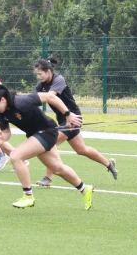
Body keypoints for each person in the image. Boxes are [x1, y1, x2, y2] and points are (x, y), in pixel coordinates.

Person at [0, 84, 93, 210]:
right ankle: (85, 189)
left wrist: (68, 114)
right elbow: (7, 132)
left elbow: (50, 97)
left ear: (2, 100)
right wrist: (3, 138)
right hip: (35, 135)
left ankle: (28, 196)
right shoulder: (0, 113)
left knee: (15, 156)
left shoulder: (21, 101)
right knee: (57, 168)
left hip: (47, 132)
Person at [32, 58, 117, 188]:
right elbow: (33, 100)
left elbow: (51, 96)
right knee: (81, 150)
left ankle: (48, 178)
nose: (38, 77)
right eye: (37, 74)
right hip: (62, 119)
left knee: (50, 143)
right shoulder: (41, 86)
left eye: (40, 74)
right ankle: (109, 163)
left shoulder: (58, 80)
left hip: (73, 117)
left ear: (48, 71)